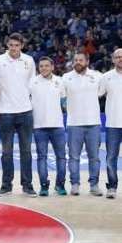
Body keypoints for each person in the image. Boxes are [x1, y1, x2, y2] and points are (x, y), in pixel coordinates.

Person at [0, 33, 36, 197]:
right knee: (6, 152)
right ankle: (6, 185)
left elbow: (32, 86)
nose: (14, 48)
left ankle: (27, 185)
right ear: (7, 45)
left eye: (16, 45)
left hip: (25, 111)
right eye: (11, 45)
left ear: (21, 46)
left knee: (26, 151)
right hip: (6, 112)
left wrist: (32, 107)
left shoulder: (29, 61)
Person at [63, 52, 103, 197]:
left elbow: (102, 93)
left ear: (87, 61)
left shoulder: (98, 76)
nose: (78, 62)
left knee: (94, 157)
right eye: (75, 60)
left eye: (81, 60)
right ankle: (75, 184)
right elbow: (61, 96)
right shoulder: (66, 77)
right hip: (74, 123)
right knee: (73, 157)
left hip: (93, 123)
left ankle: (94, 185)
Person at [28, 57, 67, 196]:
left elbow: (64, 101)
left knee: (61, 157)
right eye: (41, 66)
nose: (43, 68)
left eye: (46, 65)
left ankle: (60, 185)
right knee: (41, 157)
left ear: (52, 67)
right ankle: (44, 186)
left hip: (57, 126)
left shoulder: (60, 81)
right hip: (39, 126)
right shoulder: (32, 81)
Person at [99, 48, 122, 199]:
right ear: (113, 60)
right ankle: (112, 186)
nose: (120, 59)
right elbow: (96, 94)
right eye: (118, 57)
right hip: (113, 123)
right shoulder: (106, 77)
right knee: (111, 158)